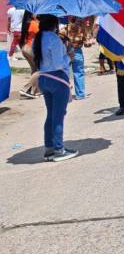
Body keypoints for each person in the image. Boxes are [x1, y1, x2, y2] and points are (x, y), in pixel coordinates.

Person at [34, 14, 78, 162]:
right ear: (54, 25)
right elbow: (59, 63)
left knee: (51, 114)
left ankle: (49, 148)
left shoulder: (37, 39)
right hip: (57, 78)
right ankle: (59, 149)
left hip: (44, 78)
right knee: (58, 115)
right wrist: (69, 56)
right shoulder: (54, 39)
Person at [62, 16, 94, 100]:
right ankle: (80, 94)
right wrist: (90, 42)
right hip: (77, 52)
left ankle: (66, 94)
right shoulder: (82, 29)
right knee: (79, 73)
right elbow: (87, 44)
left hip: (66, 52)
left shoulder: (66, 28)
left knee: (65, 73)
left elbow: (60, 39)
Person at [19, 11, 40, 99]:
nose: (38, 14)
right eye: (36, 12)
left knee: (35, 69)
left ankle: (35, 91)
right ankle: (25, 89)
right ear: (31, 14)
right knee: (41, 70)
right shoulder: (34, 23)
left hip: (26, 48)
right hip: (31, 48)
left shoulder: (27, 23)